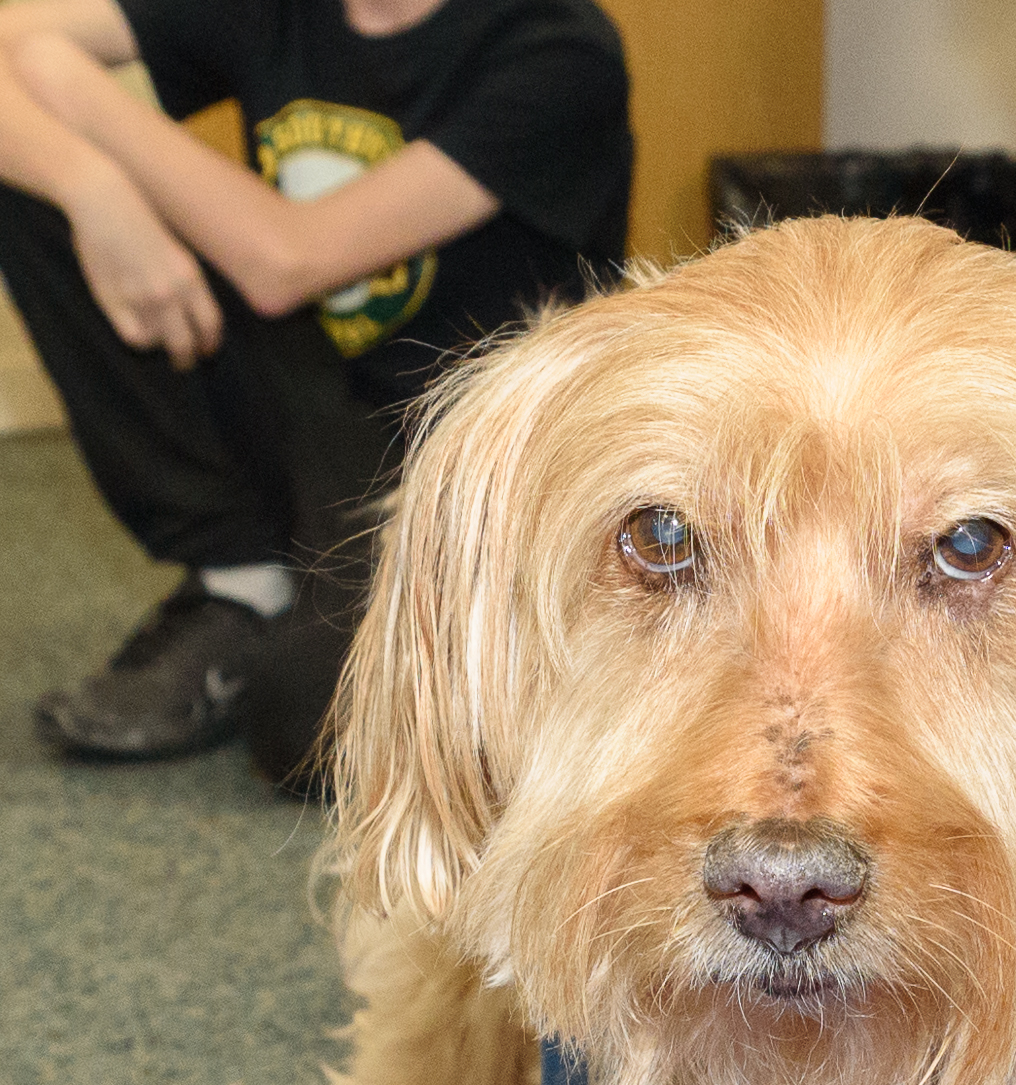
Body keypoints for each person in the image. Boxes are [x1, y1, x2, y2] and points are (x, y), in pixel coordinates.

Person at [0, 0, 630, 783]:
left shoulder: (557, 48)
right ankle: (242, 582)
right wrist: (90, 188)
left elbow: (288, 262)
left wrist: (83, 96)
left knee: (310, 725)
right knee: (34, 178)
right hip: (310, 395)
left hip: (471, 461)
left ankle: (430, 640)